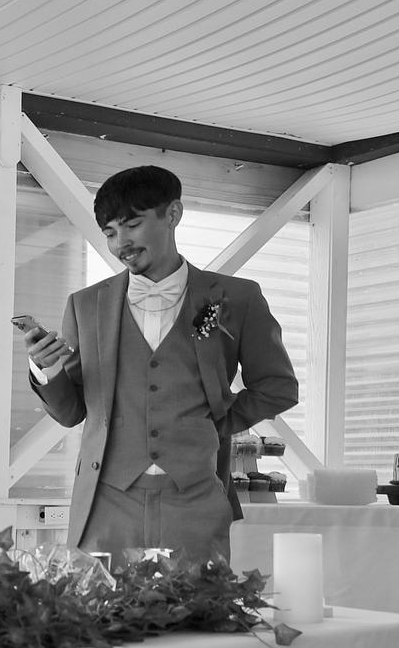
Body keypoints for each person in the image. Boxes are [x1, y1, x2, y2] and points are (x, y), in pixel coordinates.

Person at [26, 165, 298, 563]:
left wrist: (216, 422)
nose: (121, 243)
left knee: (200, 602)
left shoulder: (237, 298)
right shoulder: (85, 305)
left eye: (132, 225)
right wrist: (45, 369)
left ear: (173, 214)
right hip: (106, 502)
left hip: (197, 500)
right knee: (99, 603)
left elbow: (277, 387)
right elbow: (72, 413)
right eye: (109, 233)